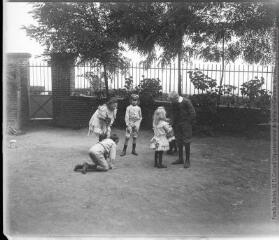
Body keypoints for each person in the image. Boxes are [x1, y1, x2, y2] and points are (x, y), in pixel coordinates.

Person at [168, 91, 196, 168]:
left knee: (186, 141)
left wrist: (187, 123)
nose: (171, 102)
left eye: (172, 100)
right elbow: (173, 113)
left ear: (176, 98)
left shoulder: (186, 101)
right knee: (179, 141)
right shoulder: (174, 103)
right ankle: (180, 159)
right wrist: (171, 122)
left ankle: (187, 160)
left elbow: (193, 113)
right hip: (177, 125)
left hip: (186, 125)